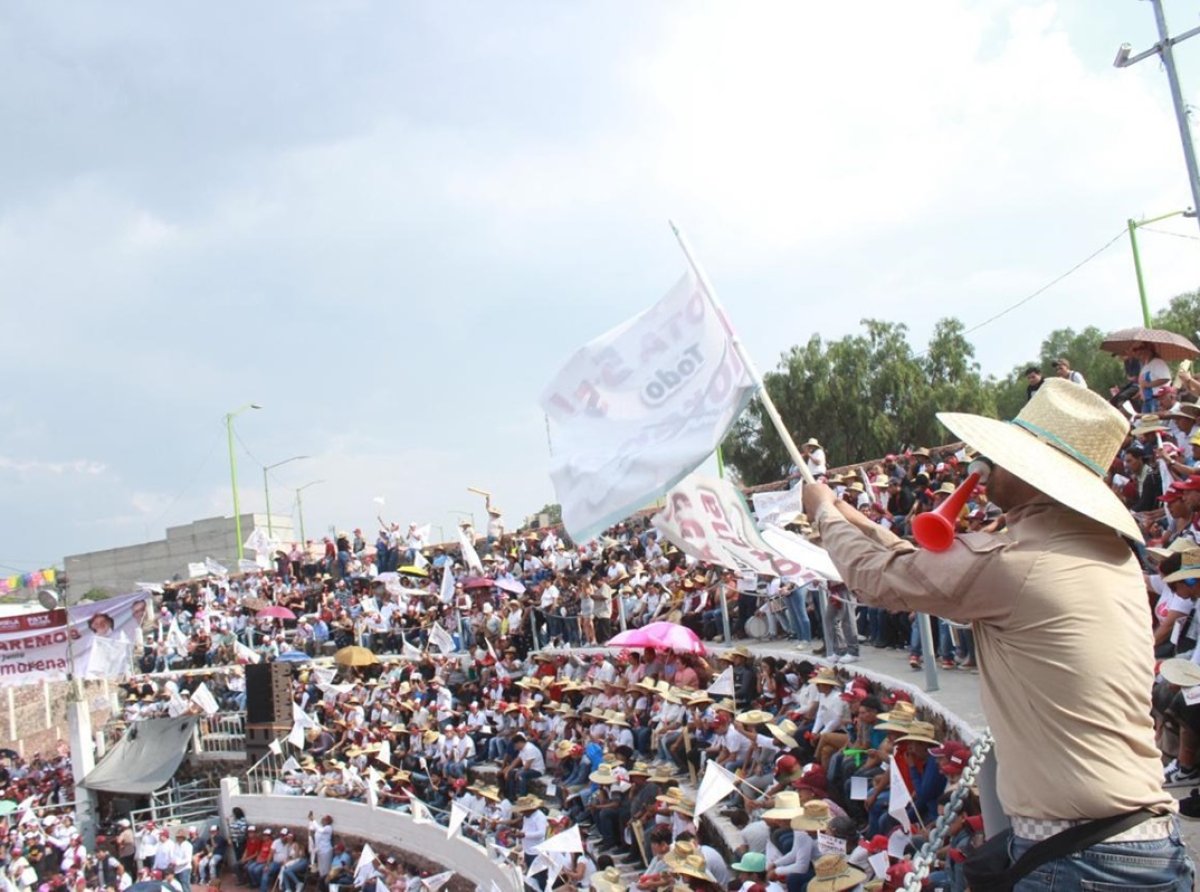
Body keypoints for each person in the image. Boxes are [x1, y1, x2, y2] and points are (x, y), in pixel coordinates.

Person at [802, 379, 1193, 890]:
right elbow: (919, 563)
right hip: (1136, 845)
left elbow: (877, 578)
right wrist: (854, 517)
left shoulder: (1017, 563)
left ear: (1037, 471)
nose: (986, 460)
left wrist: (825, 513)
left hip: (1081, 860)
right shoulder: (1099, 552)